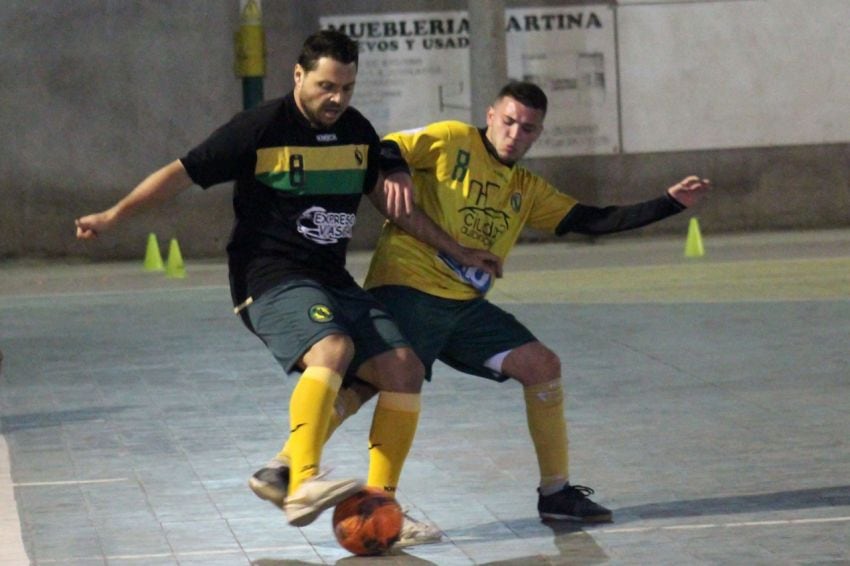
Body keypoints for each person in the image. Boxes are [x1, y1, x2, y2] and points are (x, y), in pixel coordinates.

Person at [74, 30, 498, 531]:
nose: (336, 99)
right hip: (268, 274)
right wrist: (113, 215)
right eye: (325, 86)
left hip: (330, 278)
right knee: (333, 349)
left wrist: (456, 248)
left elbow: (393, 206)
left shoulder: (357, 132)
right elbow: (179, 173)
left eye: (346, 87)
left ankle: (379, 506)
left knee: (402, 368)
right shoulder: (259, 128)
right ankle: (301, 485)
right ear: (298, 76)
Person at [273, 80, 710, 529]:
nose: (515, 133)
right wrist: (400, 173)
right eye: (509, 121)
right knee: (372, 384)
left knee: (542, 365)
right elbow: (386, 147)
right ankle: (313, 474)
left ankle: (556, 493)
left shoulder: (526, 188)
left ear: (538, 134)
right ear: (490, 115)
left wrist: (669, 203)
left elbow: (591, 219)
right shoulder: (450, 141)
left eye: (528, 128)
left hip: (464, 309)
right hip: (408, 288)